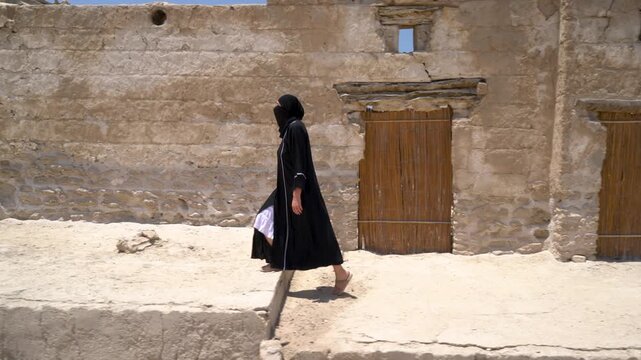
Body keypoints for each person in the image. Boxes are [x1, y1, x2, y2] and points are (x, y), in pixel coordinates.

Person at [251, 94, 352, 295]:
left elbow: (299, 163)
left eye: (278, 106)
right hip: (285, 190)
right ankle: (279, 259)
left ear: (288, 109)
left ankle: (341, 274)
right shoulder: (289, 130)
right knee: (266, 218)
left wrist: (296, 194)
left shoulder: (296, 128)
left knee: (317, 231)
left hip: (300, 191)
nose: (275, 110)